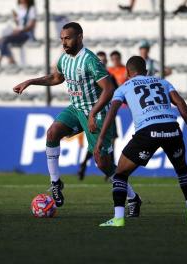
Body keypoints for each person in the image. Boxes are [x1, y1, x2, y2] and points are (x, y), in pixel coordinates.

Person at [13, 22, 142, 216]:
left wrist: (92, 113)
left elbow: (109, 89)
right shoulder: (64, 59)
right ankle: (56, 183)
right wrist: (31, 81)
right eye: (62, 39)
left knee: (103, 164)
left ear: (79, 37)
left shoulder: (89, 60)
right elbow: (56, 78)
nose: (64, 42)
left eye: (68, 38)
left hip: (97, 113)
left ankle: (133, 197)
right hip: (76, 108)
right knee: (52, 132)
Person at [95, 56, 187, 227]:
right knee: (182, 169)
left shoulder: (124, 87)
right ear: (146, 70)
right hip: (171, 128)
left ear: (127, 73)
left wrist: (101, 138)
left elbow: (111, 112)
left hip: (147, 132)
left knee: (120, 174)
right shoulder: (163, 82)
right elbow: (180, 103)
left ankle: (118, 218)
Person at [77, 51, 119, 182]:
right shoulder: (93, 76)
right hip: (96, 114)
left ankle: (101, 169)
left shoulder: (109, 77)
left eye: (104, 61)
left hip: (108, 113)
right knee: (99, 144)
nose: (102, 62)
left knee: (108, 143)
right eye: (100, 60)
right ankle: (108, 171)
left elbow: (116, 92)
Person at [0, 0, 37, 66]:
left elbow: (31, 25)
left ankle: (4, 60)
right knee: (0, 42)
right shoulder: (20, 8)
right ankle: (10, 59)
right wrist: (16, 18)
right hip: (20, 32)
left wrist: (21, 30)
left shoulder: (31, 9)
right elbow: (19, 24)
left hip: (26, 34)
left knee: (4, 40)